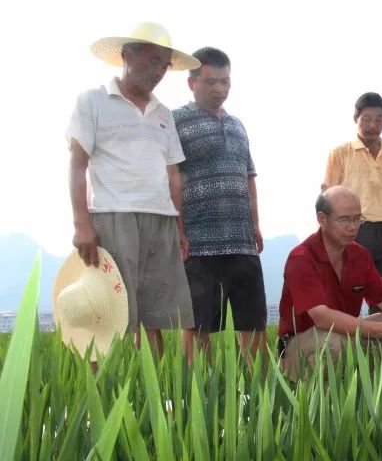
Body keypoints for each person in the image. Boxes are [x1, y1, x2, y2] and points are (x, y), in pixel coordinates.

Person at [66, 22, 198, 355]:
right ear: (127, 56)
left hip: (162, 220)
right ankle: (106, 393)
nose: (158, 71)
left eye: (164, 65)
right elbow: (77, 164)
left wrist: (180, 228)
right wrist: (82, 224)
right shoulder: (93, 101)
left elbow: (173, 176)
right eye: (152, 61)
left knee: (155, 315)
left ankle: (151, 395)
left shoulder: (164, 114)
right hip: (114, 216)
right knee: (111, 310)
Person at [173, 47, 267, 362]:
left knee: (253, 322)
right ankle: (199, 397)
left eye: (225, 82)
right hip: (199, 245)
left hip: (242, 241)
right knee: (198, 325)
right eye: (211, 82)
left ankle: (256, 397)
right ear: (192, 83)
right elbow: (170, 179)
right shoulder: (176, 122)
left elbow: (249, 177)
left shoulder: (238, 125)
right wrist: (179, 231)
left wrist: (255, 225)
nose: (219, 89)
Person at [277, 186, 382, 380]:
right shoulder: (302, 258)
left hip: (344, 336)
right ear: (322, 219)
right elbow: (322, 318)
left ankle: (367, 391)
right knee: (333, 340)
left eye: (357, 219)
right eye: (345, 219)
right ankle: (313, 398)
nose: (353, 226)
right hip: (300, 345)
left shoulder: (359, 255)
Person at [322, 92, 382, 313]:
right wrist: (326, 240)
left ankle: (379, 347)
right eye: (366, 118)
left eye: (379, 119)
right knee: (346, 302)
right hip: (353, 232)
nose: (372, 125)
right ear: (356, 118)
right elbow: (327, 199)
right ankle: (345, 347)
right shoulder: (340, 154)